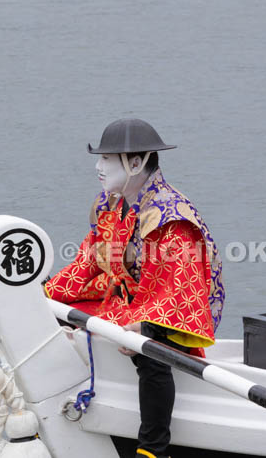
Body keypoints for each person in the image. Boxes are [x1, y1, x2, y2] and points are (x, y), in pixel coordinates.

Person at [45, 119, 224, 458]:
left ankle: (153, 448)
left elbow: (180, 288)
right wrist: (44, 292)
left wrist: (145, 325)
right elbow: (90, 261)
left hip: (173, 313)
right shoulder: (109, 204)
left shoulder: (170, 217)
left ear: (136, 163)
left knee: (149, 353)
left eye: (107, 159)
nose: (98, 167)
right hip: (124, 302)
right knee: (53, 316)